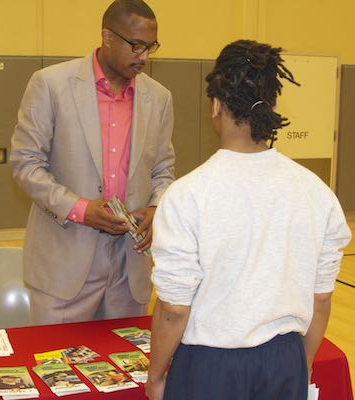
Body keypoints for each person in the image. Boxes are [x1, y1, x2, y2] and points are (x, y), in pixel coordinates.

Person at [146, 39, 352, 400]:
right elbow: (320, 301)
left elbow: (174, 310)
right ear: (272, 105)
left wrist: (155, 375)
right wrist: (298, 367)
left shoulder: (186, 195)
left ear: (215, 105)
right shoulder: (317, 193)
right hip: (285, 358)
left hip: (208, 366)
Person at [10, 0, 174, 324]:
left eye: (150, 47)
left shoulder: (159, 98)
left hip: (130, 269)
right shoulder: (51, 84)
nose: (144, 57)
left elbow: (163, 169)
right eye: (136, 45)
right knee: (52, 366)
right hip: (64, 263)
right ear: (107, 37)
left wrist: (156, 209)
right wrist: (82, 209)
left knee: (126, 370)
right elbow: (25, 163)